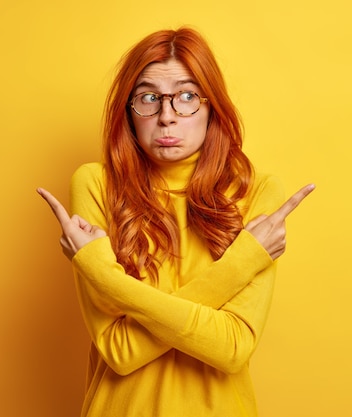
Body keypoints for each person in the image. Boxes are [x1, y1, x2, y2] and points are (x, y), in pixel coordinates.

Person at [37, 27, 314, 417]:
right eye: (148, 98)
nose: (167, 117)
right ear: (128, 111)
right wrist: (241, 263)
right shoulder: (96, 184)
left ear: (211, 106)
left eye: (186, 97)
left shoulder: (259, 192)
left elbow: (232, 347)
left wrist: (104, 275)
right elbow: (120, 350)